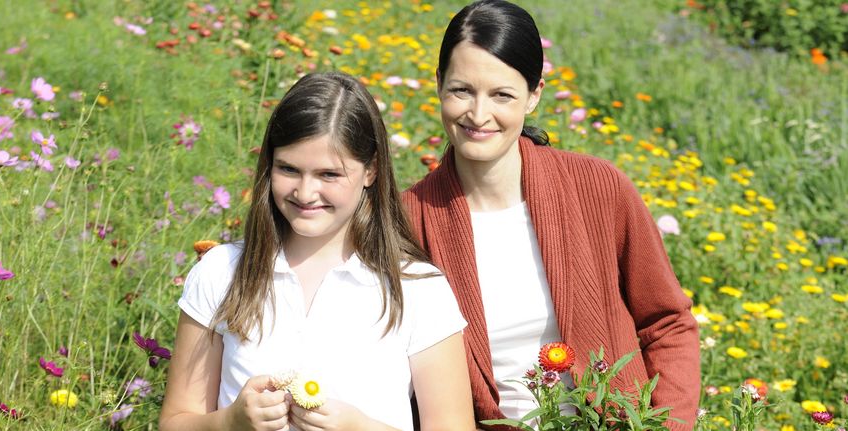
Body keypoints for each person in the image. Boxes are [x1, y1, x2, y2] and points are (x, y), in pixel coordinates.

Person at [401, 1, 700, 430]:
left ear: (534, 95)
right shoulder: (410, 220)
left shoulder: (598, 187)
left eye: (502, 94)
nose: (478, 114)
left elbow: (667, 322)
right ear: (439, 85)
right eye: (461, 90)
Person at [160, 72, 474, 431]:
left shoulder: (417, 288)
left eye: (329, 175)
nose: (306, 193)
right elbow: (175, 421)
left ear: (371, 170)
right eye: (289, 169)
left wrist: (360, 428)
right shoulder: (223, 271)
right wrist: (231, 421)